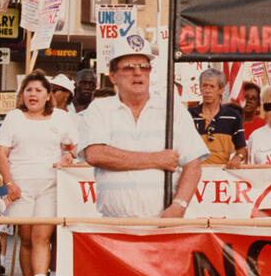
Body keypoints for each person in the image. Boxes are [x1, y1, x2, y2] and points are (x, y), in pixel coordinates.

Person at [79, 35, 207, 219]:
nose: (138, 73)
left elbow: (193, 164)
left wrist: (179, 206)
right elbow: (96, 154)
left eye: (144, 67)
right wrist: (157, 159)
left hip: (162, 225)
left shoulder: (172, 109)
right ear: (113, 76)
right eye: (129, 68)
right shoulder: (100, 108)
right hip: (114, 228)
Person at [0, 71, 78, 276]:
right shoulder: (14, 117)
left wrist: (69, 155)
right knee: (27, 238)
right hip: (20, 187)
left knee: (43, 235)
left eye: (38, 90)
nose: (33, 94)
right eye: (29, 90)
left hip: (49, 184)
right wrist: (9, 183)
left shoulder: (60, 118)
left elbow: (74, 145)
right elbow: (1, 151)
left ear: (47, 95)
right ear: (22, 94)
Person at [190, 68, 247, 166]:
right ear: (200, 88)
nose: (207, 90)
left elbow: (242, 149)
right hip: (194, 172)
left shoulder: (233, 116)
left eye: (212, 86)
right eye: (204, 86)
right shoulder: (189, 115)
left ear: (221, 89)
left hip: (221, 174)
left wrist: (238, 157)